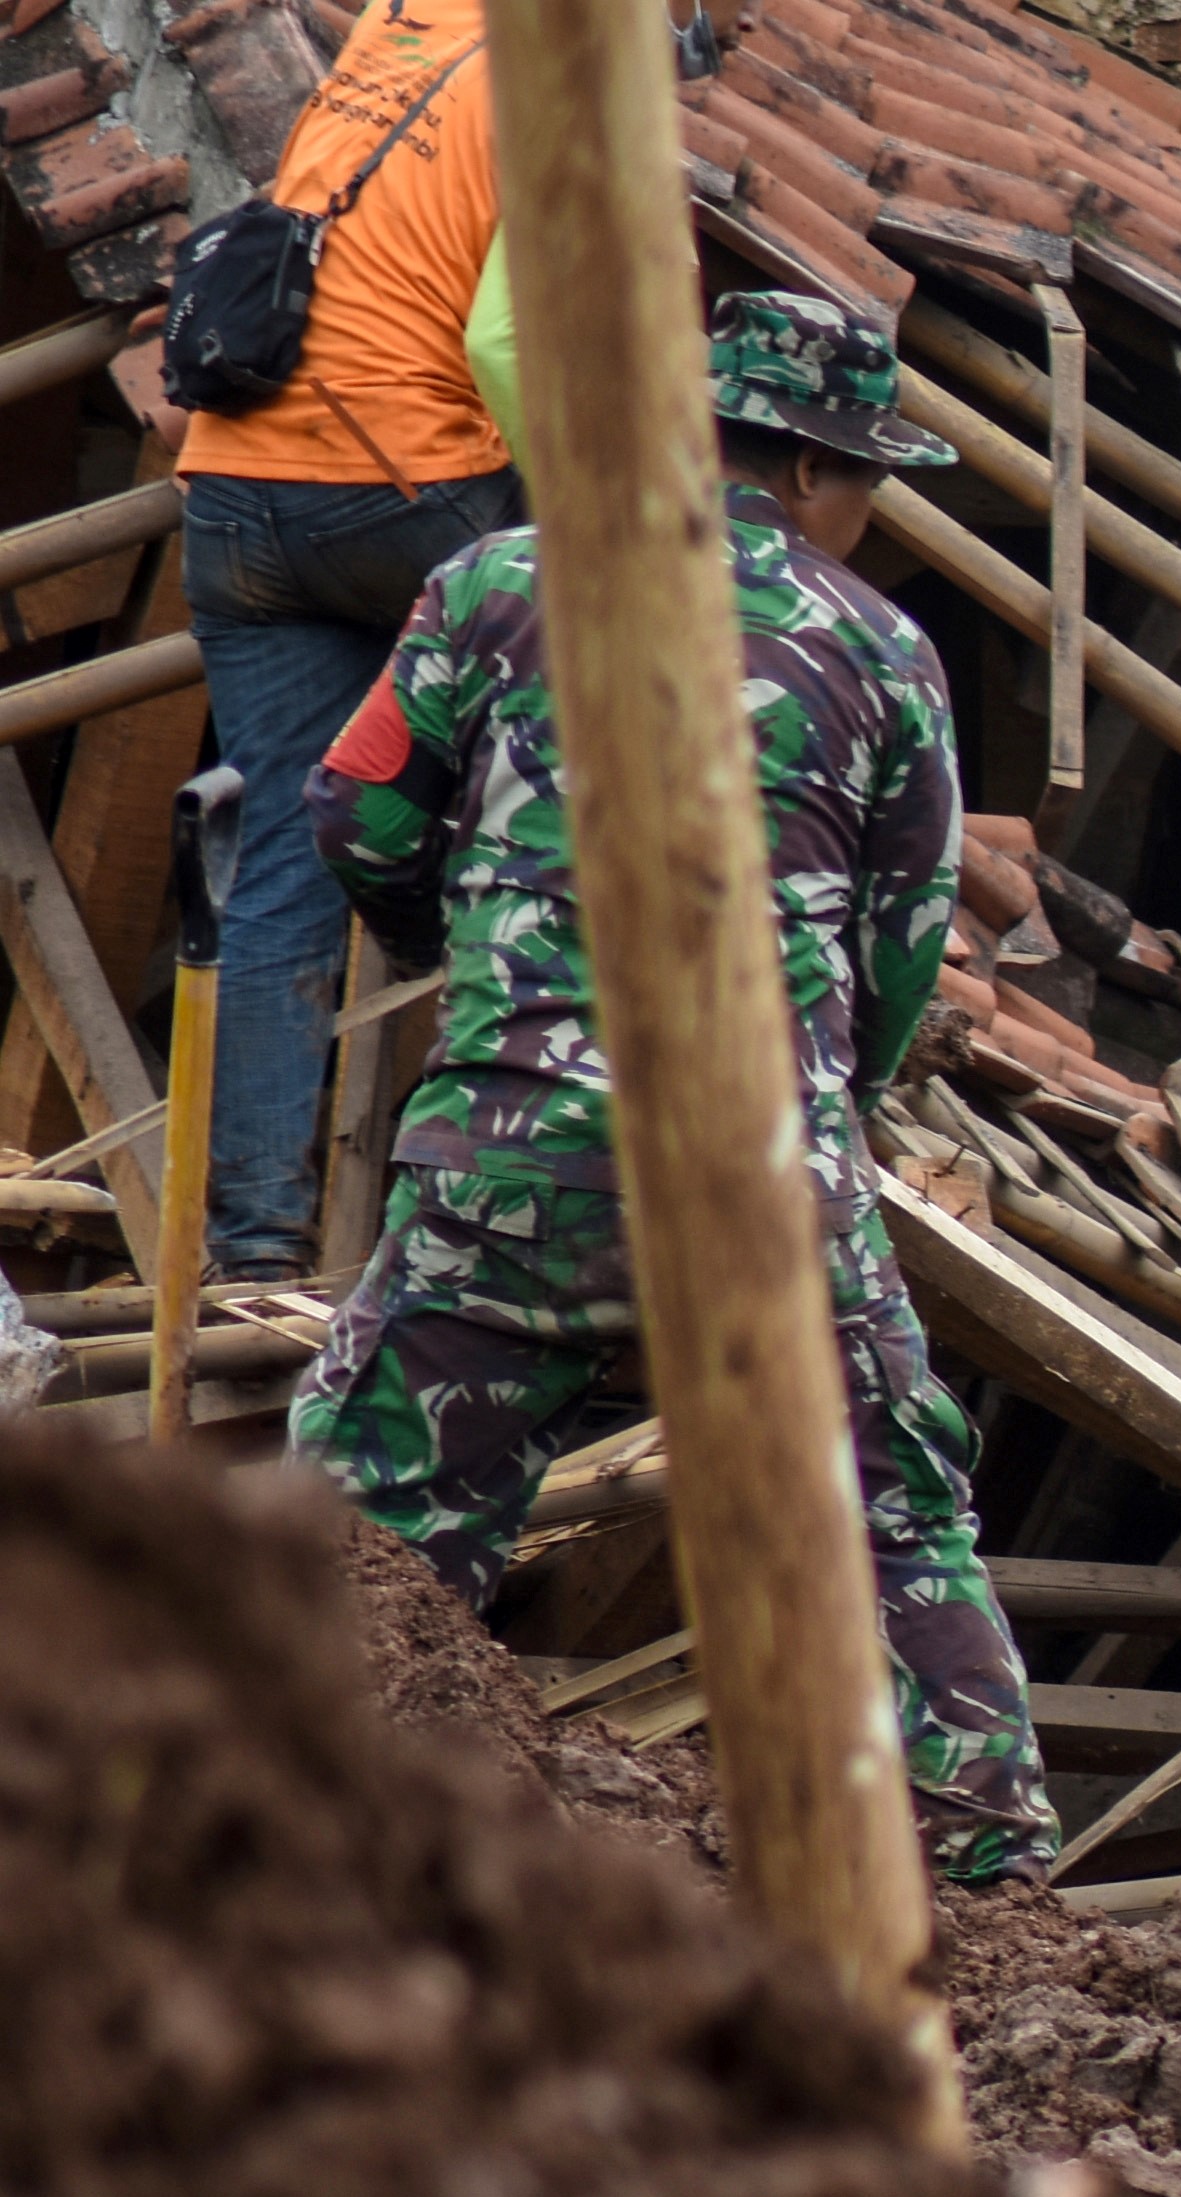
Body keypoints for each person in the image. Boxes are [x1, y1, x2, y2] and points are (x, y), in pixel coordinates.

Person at [287, 292, 1055, 1886]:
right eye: (871, 486)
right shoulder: (884, 650)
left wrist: (475, 966)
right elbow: (902, 949)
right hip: (769, 1188)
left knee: (365, 1530)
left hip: (516, 1167)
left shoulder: (496, 584)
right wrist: (826, 1091)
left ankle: (272, 1837)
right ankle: (992, 1874)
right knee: (892, 1519)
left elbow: (356, 806)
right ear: (812, 468)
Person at [176, 0, 516, 1281]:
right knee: (565, 799)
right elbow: (503, 339)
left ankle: (255, 1252)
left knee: (274, 865)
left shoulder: (398, 24)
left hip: (237, 489)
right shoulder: (576, 81)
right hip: (399, 488)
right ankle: (489, 1238)